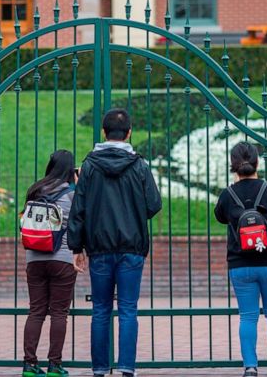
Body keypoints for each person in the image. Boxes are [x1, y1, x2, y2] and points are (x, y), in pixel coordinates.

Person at [67, 109, 162, 377]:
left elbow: (78, 209)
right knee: (128, 309)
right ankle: (126, 368)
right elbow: (153, 205)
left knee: (100, 309)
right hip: (132, 247)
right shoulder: (140, 166)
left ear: (103, 132)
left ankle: (99, 369)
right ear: (129, 132)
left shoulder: (89, 167)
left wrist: (76, 247)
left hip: (99, 248)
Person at [214, 142, 267, 377]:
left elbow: (220, 217)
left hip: (241, 265)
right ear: (257, 163)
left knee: (248, 316)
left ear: (233, 166)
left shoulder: (227, 195)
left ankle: (250, 367)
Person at [22, 150, 82, 377]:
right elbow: (79, 225)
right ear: (70, 169)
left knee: (36, 311)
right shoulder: (72, 195)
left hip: (34, 258)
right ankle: (54, 366)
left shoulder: (34, 190)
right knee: (59, 313)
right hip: (62, 258)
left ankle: (29, 365)